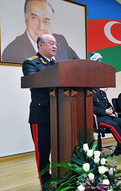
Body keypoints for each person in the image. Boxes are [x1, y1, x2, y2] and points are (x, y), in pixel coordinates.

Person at [22, 34, 58, 189]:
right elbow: (33, 80)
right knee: (42, 152)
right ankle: (46, 183)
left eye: (56, 43)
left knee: (57, 148)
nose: (55, 46)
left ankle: (59, 177)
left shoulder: (57, 64)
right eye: (51, 43)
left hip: (59, 113)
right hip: (41, 114)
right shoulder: (31, 63)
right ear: (40, 45)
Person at [2, 0, 78, 63]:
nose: (41, 27)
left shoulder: (60, 40)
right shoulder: (12, 50)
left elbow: (80, 65)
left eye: (46, 21)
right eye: (35, 18)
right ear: (26, 18)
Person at [93, 88, 121, 157]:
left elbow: (108, 104)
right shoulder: (90, 93)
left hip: (108, 117)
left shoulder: (102, 93)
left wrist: (111, 109)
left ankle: (119, 149)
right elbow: (91, 108)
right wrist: (104, 111)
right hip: (99, 118)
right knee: (114, 125)